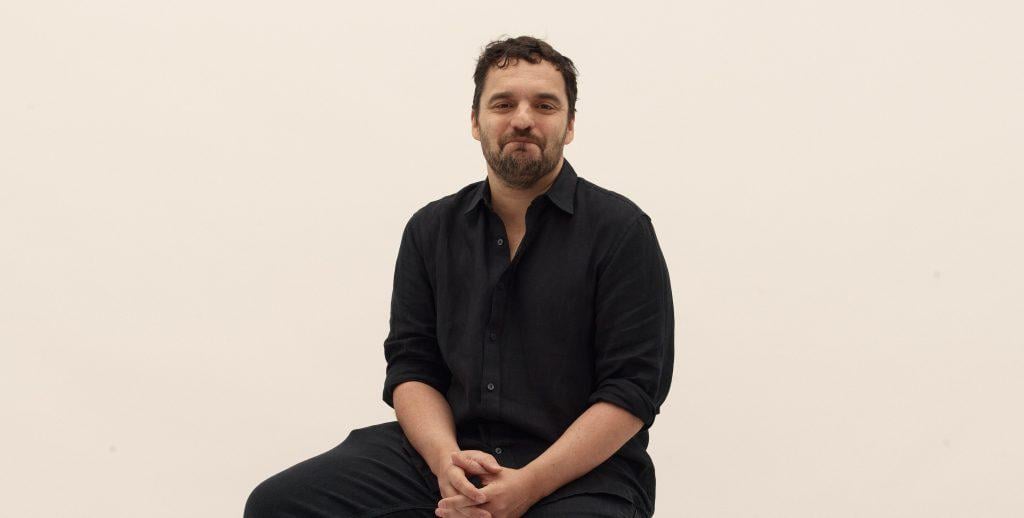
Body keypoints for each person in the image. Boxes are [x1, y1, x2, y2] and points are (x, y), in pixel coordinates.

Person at [244, 35, 673, 518]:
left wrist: (527, 486)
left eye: (545, 105)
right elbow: (412, 368)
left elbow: (632, 391)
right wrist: (445, 462)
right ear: (475, 121)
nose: (523, 119)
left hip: (578, 472)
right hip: (448, 451)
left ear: (570, 125)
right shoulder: (430, 230)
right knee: (276, 505)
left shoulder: (621, 231)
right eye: (503, 104)